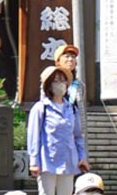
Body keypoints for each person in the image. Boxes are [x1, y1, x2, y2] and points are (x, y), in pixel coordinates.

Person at [27, 65, 89, 195]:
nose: (60, 84)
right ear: (48, 85)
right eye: (56, 80)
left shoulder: (71, 109)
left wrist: (82, 156)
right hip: (47, 162)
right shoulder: (40, 108)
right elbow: (34, 137)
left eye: (63, 80)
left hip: (69, 161)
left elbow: (77, 135)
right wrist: (34, 162)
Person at [54, 44, 83, 108]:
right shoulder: (50, 81)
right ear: (58, 62)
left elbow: (81, 109)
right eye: (67, 56)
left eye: (73, 57)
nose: (70, 59)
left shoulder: (79, 84)